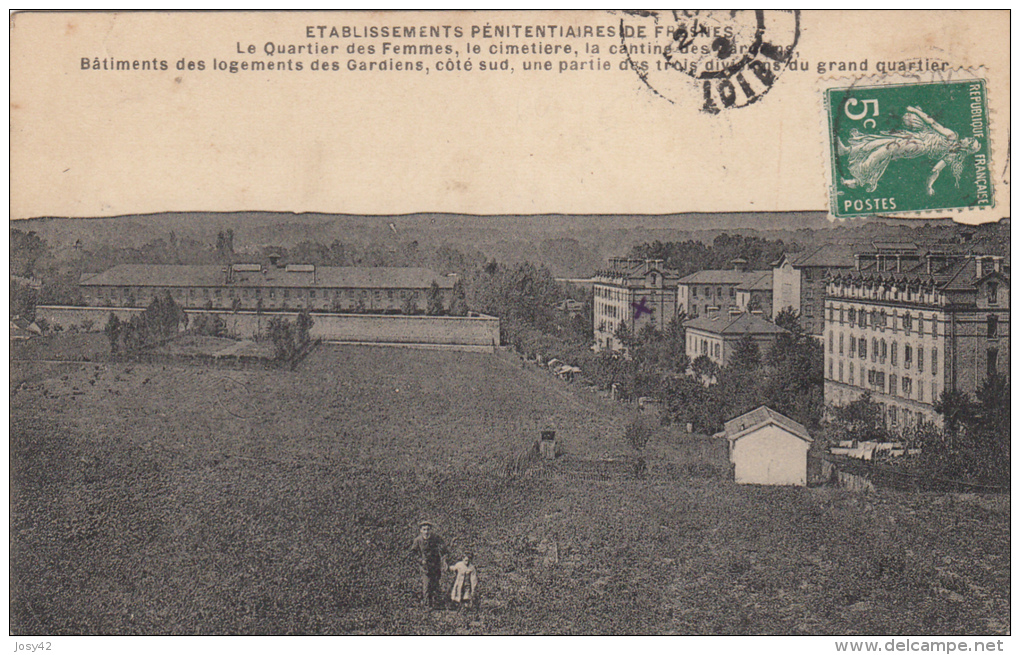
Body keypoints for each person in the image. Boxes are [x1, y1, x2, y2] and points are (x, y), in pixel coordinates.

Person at [838, 105, 981, 195]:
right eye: (969, 138)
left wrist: (929, 185)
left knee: (884, 150)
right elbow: (933, 124)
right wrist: (917, 112)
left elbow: (935, 170)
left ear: (966, 147)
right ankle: (848, 150)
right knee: (881, 141)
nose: (967, 138)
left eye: (969, 140)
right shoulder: (952, 136)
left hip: (917, 146)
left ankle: (857, 180)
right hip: (919, 135)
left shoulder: (952, 154)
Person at [408, 520, 449, 608]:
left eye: (428, 529)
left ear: (431, 530)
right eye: (424, 529)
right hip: (425, 567)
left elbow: (444, 550)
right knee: (426, 586)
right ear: (420, 530)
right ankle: (427, 606)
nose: (426, 532)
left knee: (435, 585)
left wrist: (444, 561)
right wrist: (420, 560)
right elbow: (413, 553)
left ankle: (437, 605)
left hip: (435, 566)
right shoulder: (418, 540)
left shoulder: (436, 538)